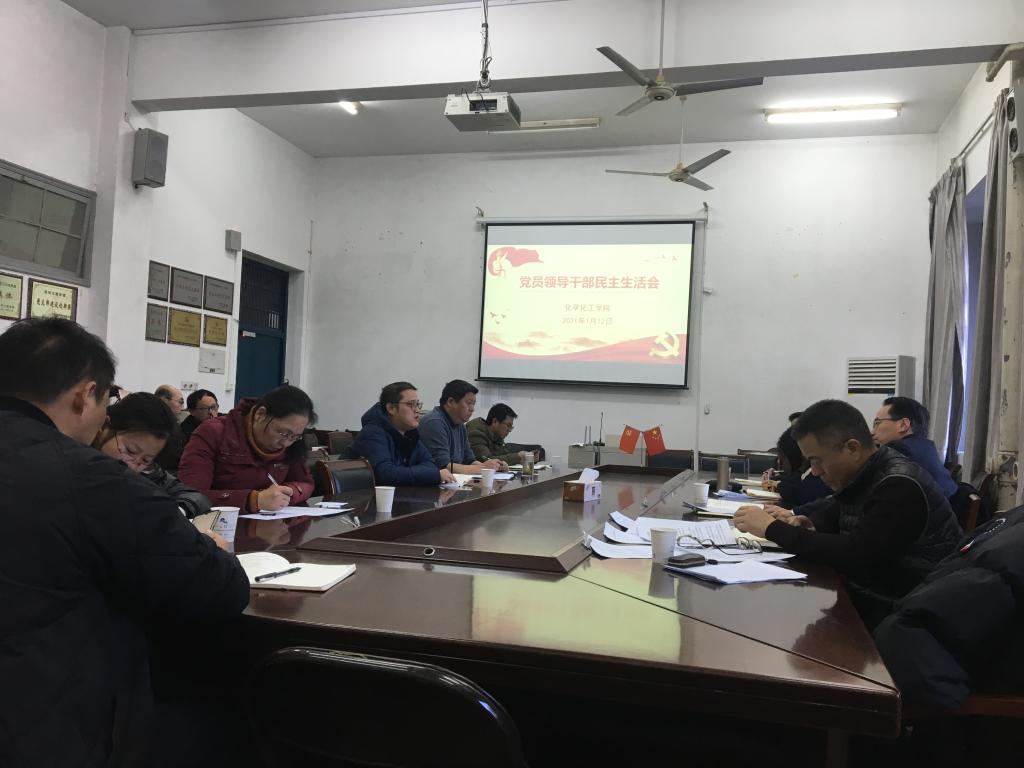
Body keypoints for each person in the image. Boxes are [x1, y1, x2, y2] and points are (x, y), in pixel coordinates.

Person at [0, 318, 248, 766]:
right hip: (48, 725)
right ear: (85, 395)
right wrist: (215, 547)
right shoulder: (85, 477)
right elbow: (218, 587)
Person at [734, 399, 961, 628]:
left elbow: (855, 555)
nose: (815, 471)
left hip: (904, 617)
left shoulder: (898, 484)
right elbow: (834, 513)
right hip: (873, 600)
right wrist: (807, 522)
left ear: (852, 448)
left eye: (816, 461)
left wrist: (772, 528)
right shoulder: (864, 474)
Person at [179, 384, 316, 512]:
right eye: (283, 433)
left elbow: (305, 483)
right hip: (219, 524)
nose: (286, 443)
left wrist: (287, 493)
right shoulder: (213, 433)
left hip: (271, 523)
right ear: (260, 414)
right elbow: (190, 496)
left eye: (294, 437)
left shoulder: (291, 443)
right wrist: (253, 500)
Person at [91, 391, 212, 520]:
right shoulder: (78, 462)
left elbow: (195, 496)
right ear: (105, 426)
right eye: (130, 450)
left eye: (145, 460)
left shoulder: (147, 472)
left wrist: (176, 512)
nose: (132, 466)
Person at [354, 382, 456, 486]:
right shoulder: (372, 434)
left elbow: (431, 465)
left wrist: (410, 473)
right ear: (391, 408)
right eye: (411, 404)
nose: (417, 410)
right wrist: (432, 475)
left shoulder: (410, 433)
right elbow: (387, 474)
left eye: (418, 404)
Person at [419, 379, 503, 473]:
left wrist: (494, 468)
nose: (472, 409)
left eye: (473, 404)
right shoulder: (434, 422)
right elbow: (443, 466)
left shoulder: (460, 424)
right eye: (469, 403)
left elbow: (469, 460)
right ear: (450, 402)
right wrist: (483, 468)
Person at [768, 427, 831, 508]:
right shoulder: (805, 470)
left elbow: (802, 495)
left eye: (784, 458)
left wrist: (777, 485)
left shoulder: (819, 471)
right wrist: (775, 479)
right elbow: (795, 480)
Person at [467, 403, 537, 465]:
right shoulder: (476, 433)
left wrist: (525, 457)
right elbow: (487, 460)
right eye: (508, 425)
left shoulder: (496, 436)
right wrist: (518, 457)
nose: (509, 430)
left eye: (511, 427)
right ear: (495, 421)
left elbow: (503, 455)